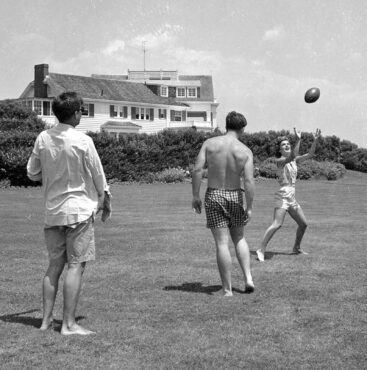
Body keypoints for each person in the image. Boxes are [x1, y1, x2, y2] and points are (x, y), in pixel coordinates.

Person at [27, 91, 111, 335]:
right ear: (75, 113)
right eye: (81, 111)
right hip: (78, 212)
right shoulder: (84, 141)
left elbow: (32, 172)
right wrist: (104, 201)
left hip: (52, 212)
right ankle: (69, 324)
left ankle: (45, 322)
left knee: (54, 265)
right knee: (76, 266)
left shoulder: (42, 138)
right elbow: (98, 176)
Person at [192, 111, 255, 297]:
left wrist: (195, 196)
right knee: (239, 238)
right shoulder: (245, 151)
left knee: (222, 243)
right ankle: (248, 279)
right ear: (242, 128)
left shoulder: (209, 144)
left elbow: (197, 170)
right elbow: (249, 181)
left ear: (226, 125)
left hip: (214, 195)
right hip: (235, 195)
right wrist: (249, 206)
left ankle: (227, 290)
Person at [256, 128, 321, 262]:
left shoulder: (294, 160)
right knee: (277, 224)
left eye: (287, 144)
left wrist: (315, 141)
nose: (286, 145)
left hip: (292, 196)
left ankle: (296, 248)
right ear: (279, 150)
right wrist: (298, 139)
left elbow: (310, 154)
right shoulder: (279, 161)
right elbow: (291, 155)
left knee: (303, 224)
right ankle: (261, 249)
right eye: (283, 145)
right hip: (283, 195)